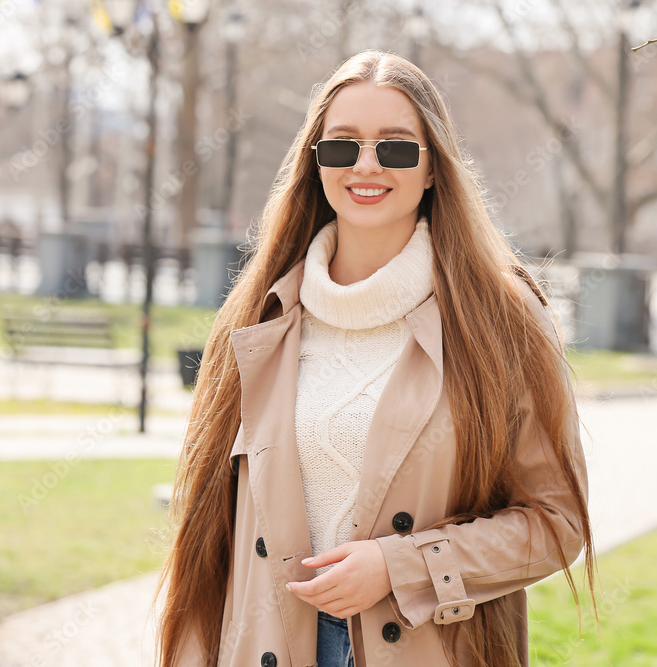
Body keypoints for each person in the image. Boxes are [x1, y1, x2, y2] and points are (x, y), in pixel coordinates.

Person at [153, 49, 595, 667]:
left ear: (434, 167)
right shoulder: (261, 313)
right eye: (341, 146)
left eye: (395, 146)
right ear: (316, 163)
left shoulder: (500, 318)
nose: (365, 165)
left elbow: (556, 523)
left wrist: (402, 566)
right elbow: (207, 544)